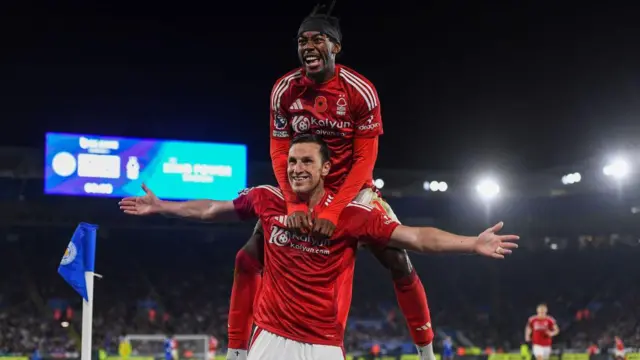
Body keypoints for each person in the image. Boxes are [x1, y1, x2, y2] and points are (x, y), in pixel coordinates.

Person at [119, 134, 520, 360]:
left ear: (326, 168)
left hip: (323, 348)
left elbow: (415, 237)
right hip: (270, 339)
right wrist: (162, 206)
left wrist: (473, 244)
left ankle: (427, 351)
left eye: (307, 162)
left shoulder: (351, 216)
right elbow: (210, 209)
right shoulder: (267, 199)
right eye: (292, 161)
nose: (297, 168)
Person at [229, 5, 437, 360]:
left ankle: (427, 350)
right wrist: (295, 203)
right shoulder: (284, 90)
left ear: (336, 47)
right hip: (305, 188)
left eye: (318, 39)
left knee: (398, 260)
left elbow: (364, 159)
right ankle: (236, 350)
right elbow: (280, 151)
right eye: (302, 40)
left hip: (353, 190)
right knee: (247, 256)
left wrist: (335, 208)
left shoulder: (360, 91)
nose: (309, 46)